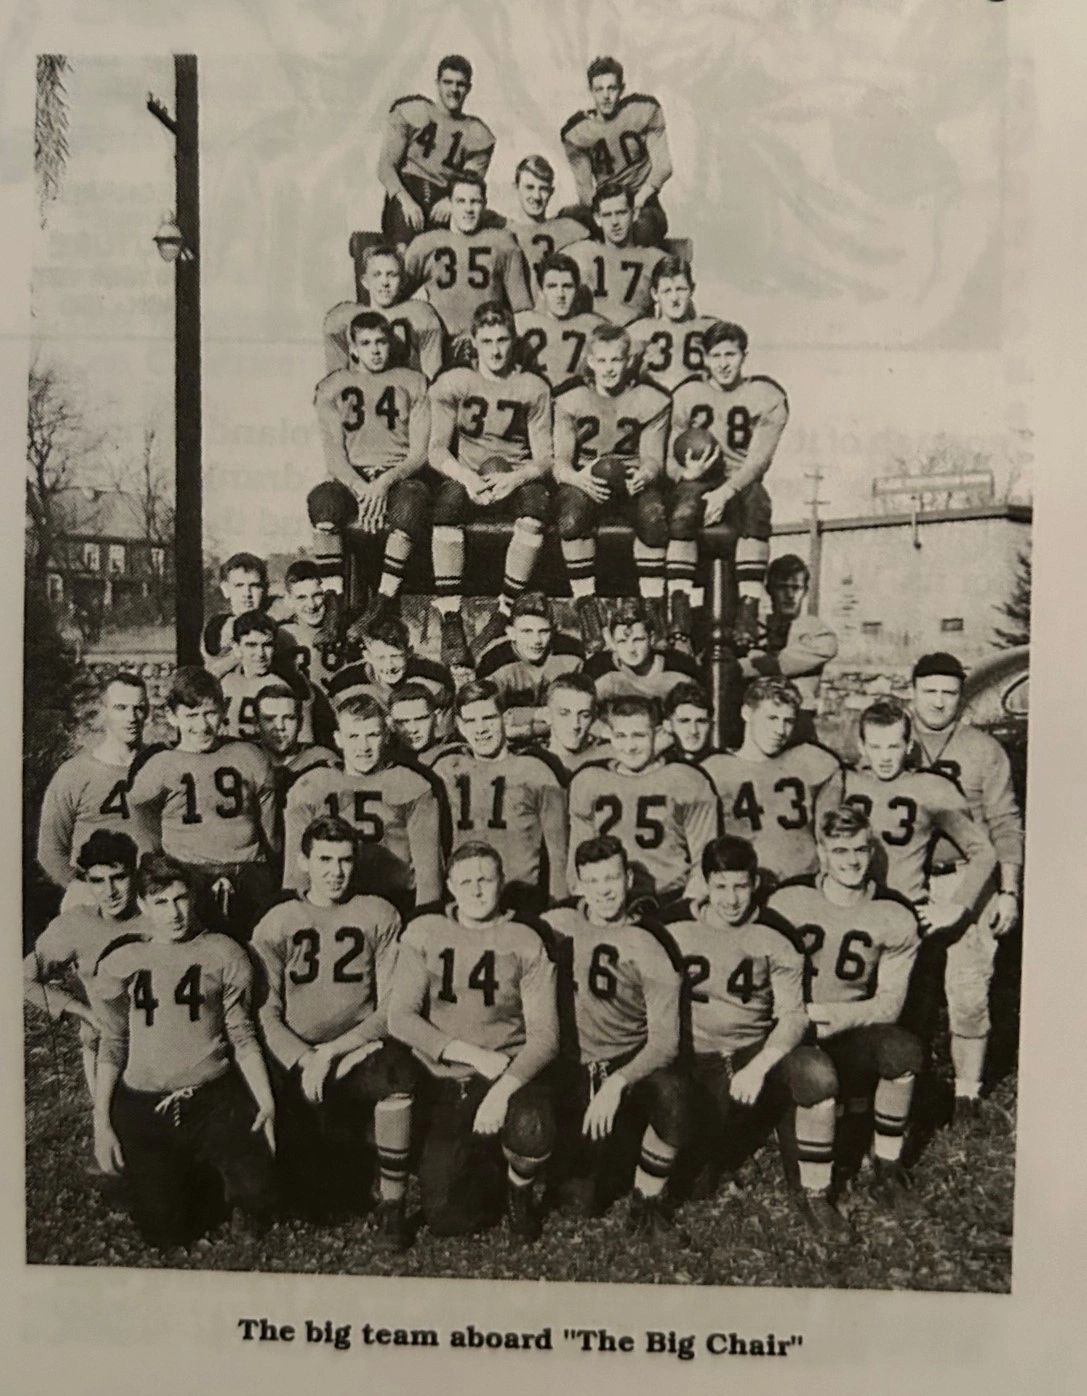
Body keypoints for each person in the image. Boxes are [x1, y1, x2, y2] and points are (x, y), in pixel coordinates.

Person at [91, 854, 279, 1248]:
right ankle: (180, 1178)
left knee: (258, 1191)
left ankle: (222, 1179)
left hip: (212, 1097)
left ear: (193, 898)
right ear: (142, 905)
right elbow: (112, 1043)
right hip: (145, 1102)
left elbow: (242, 1033)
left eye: (180, 899)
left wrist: (266, 1102)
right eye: (160, 903)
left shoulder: (222, 952)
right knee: (165, 1233)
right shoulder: (122, 961)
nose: (173, 913)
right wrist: (101, 1120)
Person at [662, 836, 844, 1236]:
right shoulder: (671, 926)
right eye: (721, 886)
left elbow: (793, 1016)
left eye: (741, 886)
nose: (731, 899)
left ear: (755, 884)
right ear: (705, 884)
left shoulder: (776, 932)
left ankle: (815, 1194)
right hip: (697, 1057)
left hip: (754, 1050)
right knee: (696, 1185)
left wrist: (760, 1067)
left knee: (816, 1072)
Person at [251, 815, 414, 1247]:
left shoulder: (378, 913)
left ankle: (393, 1203)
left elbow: (392, 1007)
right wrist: (307, 1058)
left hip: (358, 1051)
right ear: (303, 861)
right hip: (295, 1057)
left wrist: (336, 1052)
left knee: (397, 1075)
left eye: (344, 860)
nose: (335, 871)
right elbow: (265, 1015)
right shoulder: (278, 921)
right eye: (324, 859)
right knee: (316, 1203)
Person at [387, 842, 559, 1241]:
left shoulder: (524, 937)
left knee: (532, 1126)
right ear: (449, 886)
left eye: (485, 879)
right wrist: (470, 1055)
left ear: (501, 882)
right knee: (448, 1219)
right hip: (448, 1077)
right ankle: (487, 1162)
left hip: (510, 1072)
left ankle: (519, 1193)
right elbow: (401, 1017)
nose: (476, 890)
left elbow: (546, 1037)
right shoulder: (425, 931)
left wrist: (501, 1092)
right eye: (465, 881)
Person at [768, 805, 925, 1213]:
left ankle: (888, 1169)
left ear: (871, 851)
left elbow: (890, 1003)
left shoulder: (893, 912)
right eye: (840, 851)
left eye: (860, 849)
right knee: (815, 1080)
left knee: (903, 1051)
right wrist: (796, 1019)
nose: (852, 861)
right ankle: (817, 1196)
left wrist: (837, 1016)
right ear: (821, 852)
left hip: (849, 1032)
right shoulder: (788, 900)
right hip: (793, 1034)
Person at [543, 836, 689, 1235]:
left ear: (628, 879)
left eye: (612, 878)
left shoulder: (650, 942)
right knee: (579, 1203)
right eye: (593, 881)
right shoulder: (554, 927)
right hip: (571, 1068)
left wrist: (617, 1084)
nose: (604, 890)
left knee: (674, 1098)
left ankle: (648, 1200)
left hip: (629, 1064)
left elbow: (665, 1042)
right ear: (578, 884)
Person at [908, 652, 1024, 1120]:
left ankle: (966, 1095)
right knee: (905, 989)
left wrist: (1009, 890)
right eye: (929, 691)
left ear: (961, 695)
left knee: (970, 990)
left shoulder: (983, 748)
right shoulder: (893, 740)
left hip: (967, 878)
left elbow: (1005, 822)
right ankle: (900, 1086)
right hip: (909, 877)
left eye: (949, 692)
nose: (938, 702)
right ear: (912, 691)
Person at [427, 301, 552, 667]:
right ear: (474, 342)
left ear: (513, 340)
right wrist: (466, 477)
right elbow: (435, 449)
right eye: (487, 341)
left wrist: (516, 477)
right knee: (446, 504)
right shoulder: (456, 382)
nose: (495, 350)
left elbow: (545, 458)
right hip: (470, 476)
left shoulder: (532, 386)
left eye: (502, 340)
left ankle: (505, 610)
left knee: (537, 506)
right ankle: (451, 617)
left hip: (513, 476)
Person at [128, 666, 279, 939]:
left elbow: (268, 829)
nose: (202, 725)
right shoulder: (160, 766)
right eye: (191, 715)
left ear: (223, 710)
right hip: (190, 875)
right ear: (172, 716)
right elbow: (145, 828)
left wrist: (267, 871)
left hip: (248, 872)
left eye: (209, 713)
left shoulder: (249, 755)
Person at [823, 701, 998, 935]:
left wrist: (957, 906)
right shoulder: (843, 782)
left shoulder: (932, 787)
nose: (885, 757)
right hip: (856, 910)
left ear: (908, 746)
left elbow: (983, 851)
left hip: (906, 911)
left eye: (893, 747)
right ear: (862, 747)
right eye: (876, 747)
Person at [670, 321, 789, 650]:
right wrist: (687, 474)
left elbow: (758, 462)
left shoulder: (765, 395)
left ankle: (749, 607)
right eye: (716, 355)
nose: (723, 363)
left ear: (743, 356)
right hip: (697, 477)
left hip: (740, 480)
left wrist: (725, 492)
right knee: (682, 512)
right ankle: (678, 606)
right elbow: (668, 456)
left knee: (758, 506)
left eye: (731, 355)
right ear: (704, 358)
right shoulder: (687, 393)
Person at [553, 323, 671, 651]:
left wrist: (645, 474)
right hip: (586, 480)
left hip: (630, 482)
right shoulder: (570, 398)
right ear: (589, 360)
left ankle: (653, 606)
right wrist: (578, 478)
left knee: (654, 516)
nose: (609, 369)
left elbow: (653, 459)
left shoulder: (649, 398)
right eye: (602, 361)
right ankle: (587, 606)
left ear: (627, 360)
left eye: (616, 361)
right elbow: (560, 462)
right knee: (571, 519)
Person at [311, 311, 431, 622]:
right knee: (322, 502)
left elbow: (419, 454)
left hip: (398, 476)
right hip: (355, 478)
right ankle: (334, 602)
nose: (375, 350)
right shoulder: (333, 386)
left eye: (381, 342)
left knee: (411, 506)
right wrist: (362, 488)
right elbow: (334, 456)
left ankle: (384, 600)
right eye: (366, 343)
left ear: (391, 343)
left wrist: (384, 483)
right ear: (353, 349)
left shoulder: (413, 382)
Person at [283, 695, 444, 914]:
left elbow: (428, 874)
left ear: (386, 736)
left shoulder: (411, 784)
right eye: (354, 736)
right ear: (338, 739)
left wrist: (424, 922)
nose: (364, 746)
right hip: (330, 905)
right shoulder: (311, 785)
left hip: (394, 902)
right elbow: (296, 872)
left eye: (372, 735)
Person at [567, 694, 720, 908]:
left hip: (670, 900)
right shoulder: (589, 781)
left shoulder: (687, 779)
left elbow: (704, 861)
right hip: (607, 902)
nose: (629, 747)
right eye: (621, 736)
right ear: (609, 735)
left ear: (657, 734)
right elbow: (578, 863)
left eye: (638, 736)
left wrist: (685, 909)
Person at [24, 830, 143, 1104]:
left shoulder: (160, 914)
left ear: (134, 874)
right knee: (111, 1130)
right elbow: (24, 978)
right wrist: (82, 1011)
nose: (110, 891)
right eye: (98, 881)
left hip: (162, 1046)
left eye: (119, 877)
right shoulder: (76, 925)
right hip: (107, 1051)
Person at [432, 679, 568, 913]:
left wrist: (559, 907)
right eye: (471, 721)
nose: (481, 729)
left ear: (505, 719)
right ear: (460, 725)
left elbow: (559, 852)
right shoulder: (446, 769)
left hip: (522, 897)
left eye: (488, 718)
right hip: (464, 899)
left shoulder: (535, 770)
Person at [700, 677, 840, 889]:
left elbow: (831, 837)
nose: (780, 730)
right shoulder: (715, 770)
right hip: (744, 889)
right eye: (771, 718)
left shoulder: (813, 762)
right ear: (747, 713)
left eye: (788, 721)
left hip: (806, 886)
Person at [37, 670, 151, 908]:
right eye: (121, 708)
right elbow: (49, 850)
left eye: (138, 708)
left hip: (150, 896)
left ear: (147, 711)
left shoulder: (161, 766)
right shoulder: (75, 773)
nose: (131, 717)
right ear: (104, 711)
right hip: (94, 897)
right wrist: (79, 887)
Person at [377, 54, 496, 244]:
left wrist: (450, 200)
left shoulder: (477, 133)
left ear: (469, 88)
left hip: (445, 198)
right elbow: (385, 166)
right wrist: (404, 200)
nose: (454, 89)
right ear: (438, 83)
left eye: (460, 84)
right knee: (403, 246)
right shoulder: (413, 112)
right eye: (448, 82)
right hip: (407, 191)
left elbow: (470, 184)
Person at [560, 56, 672, 247]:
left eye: (612, 88)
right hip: (606, 205)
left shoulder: (643, 110)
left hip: (642, 201)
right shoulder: (578, 131)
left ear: (622, 88)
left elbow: (663, 167)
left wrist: (636, 203)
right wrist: (603, 214)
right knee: (565, 222)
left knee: (642, 228)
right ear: (591, 91)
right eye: (599, 89)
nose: (606, 96)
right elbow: (585, 191)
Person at [404, 172, 532, 341]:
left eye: (475, 201)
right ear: (449, 204)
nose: (468, 209)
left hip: (489, 343)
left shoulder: (502, 242)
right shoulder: (425, 244)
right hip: (443, 344)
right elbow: (397, 298)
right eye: (461, 201)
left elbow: (521, 308)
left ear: (485, 204)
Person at [738, 554, 838, 743]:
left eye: (796, 588)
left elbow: (776, 665)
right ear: (769, 590)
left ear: (805, 591)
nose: (790, 595)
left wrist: (743, 666)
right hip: (754, 723)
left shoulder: (818, 633)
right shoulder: (752, 626)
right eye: (782, 587)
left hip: (797, 723)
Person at [323, 244, 445, 380]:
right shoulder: (343, 319)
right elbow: (336, 382)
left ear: (403, 281)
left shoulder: (421, 315)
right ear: (365, 281)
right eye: (377, 275)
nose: (384, 282)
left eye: (392, 275)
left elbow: (433, 379)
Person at [475, 592, 583, 742]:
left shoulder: (571, 654)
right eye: (527, 632)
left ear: (553, 631)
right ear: (511, 633)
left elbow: (583, 712)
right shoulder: (495, 659)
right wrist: (538, 714)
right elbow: (484, 713)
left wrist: (524, 722)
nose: (536, 640)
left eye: (543, 632)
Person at [565, 183, 667, 326]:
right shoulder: (581, 252)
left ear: (635, 213)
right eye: (607, 215)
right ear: (597, 219)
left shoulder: (655, 259)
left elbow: (683, 312)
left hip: (637, 337)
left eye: (621, 213)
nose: (614, 222)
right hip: (593, 336)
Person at [583, 597, 703, 706]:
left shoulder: (678, 669)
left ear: (651, 638)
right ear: (613, 643)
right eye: (622, 641)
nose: (631, 649)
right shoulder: (600, 670)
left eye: (638, 640)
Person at [628, 256, 720, 393]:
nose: (674, 298)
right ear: (654, 294)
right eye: (667, 291)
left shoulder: (710, 328)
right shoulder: (639, 330)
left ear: (692, 289)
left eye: (681, 289)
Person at [515, 252, 604, 389]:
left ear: (576, 290)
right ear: (541, 292)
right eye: (552, 286)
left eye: (567, 286)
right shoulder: (520, 323)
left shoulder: (593, 325)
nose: (560, 295)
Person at [503, 155, 590, 291]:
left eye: (543, 189)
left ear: (551, 191)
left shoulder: (570, 228)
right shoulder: (504, 232)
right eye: (529, 187)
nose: (537, 196)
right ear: (516, 187)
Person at [202, 553, 295, 679]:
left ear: (266, 588)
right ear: (225, 589)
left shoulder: (280, 610)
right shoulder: (218, 627)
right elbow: (212, 673)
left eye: (254, 586)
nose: (247, 593)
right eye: (239, 585)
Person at [221, 611, 293, 742]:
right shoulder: (226, 682)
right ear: (237, 648)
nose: (260, 653)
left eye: (267, 645)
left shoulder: (279, 687)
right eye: (251, 645)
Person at [542, 672, 611, 774]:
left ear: (594, 716)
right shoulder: (531, 763)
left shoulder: (608, 761)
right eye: (564, 713)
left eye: (584, 715)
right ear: (547, 715)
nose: (575, 725)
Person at [388, 682, 455, 767]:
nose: (413, 729)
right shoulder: (385, 765)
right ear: (391, 724)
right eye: (402, 722)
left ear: (437, 718)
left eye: (420, 719)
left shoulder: (454, 760)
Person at [663, 681, 713, 764]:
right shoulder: (659, 767)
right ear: (668, 725)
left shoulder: (721, 763)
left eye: (701, 721)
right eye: (684, 721)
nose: (694, 730)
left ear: (710, 724)